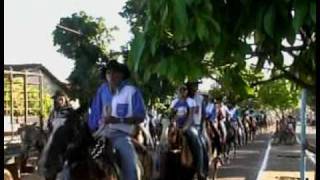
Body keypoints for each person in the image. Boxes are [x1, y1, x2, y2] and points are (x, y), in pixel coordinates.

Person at [91, 60, 145, 180]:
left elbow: (140, 116)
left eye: (115, 72)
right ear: (105, 75)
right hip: (99, 135)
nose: (111, 75)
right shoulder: (102, 90)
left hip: (120, 136)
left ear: (122, 75)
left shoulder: (131, 91)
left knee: (131, 164)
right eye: (109, 72)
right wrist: (92, 129)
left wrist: (118, 120)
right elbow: (94, 114)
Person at [185, 81, 209, 178]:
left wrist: (202, 128)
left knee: (203, 144)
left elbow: (203, 115)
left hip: (198, 127)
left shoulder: (200, 98)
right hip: (187, 126)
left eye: (196, 85)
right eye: (193, 85)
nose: (195, 87)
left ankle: (203, 170)